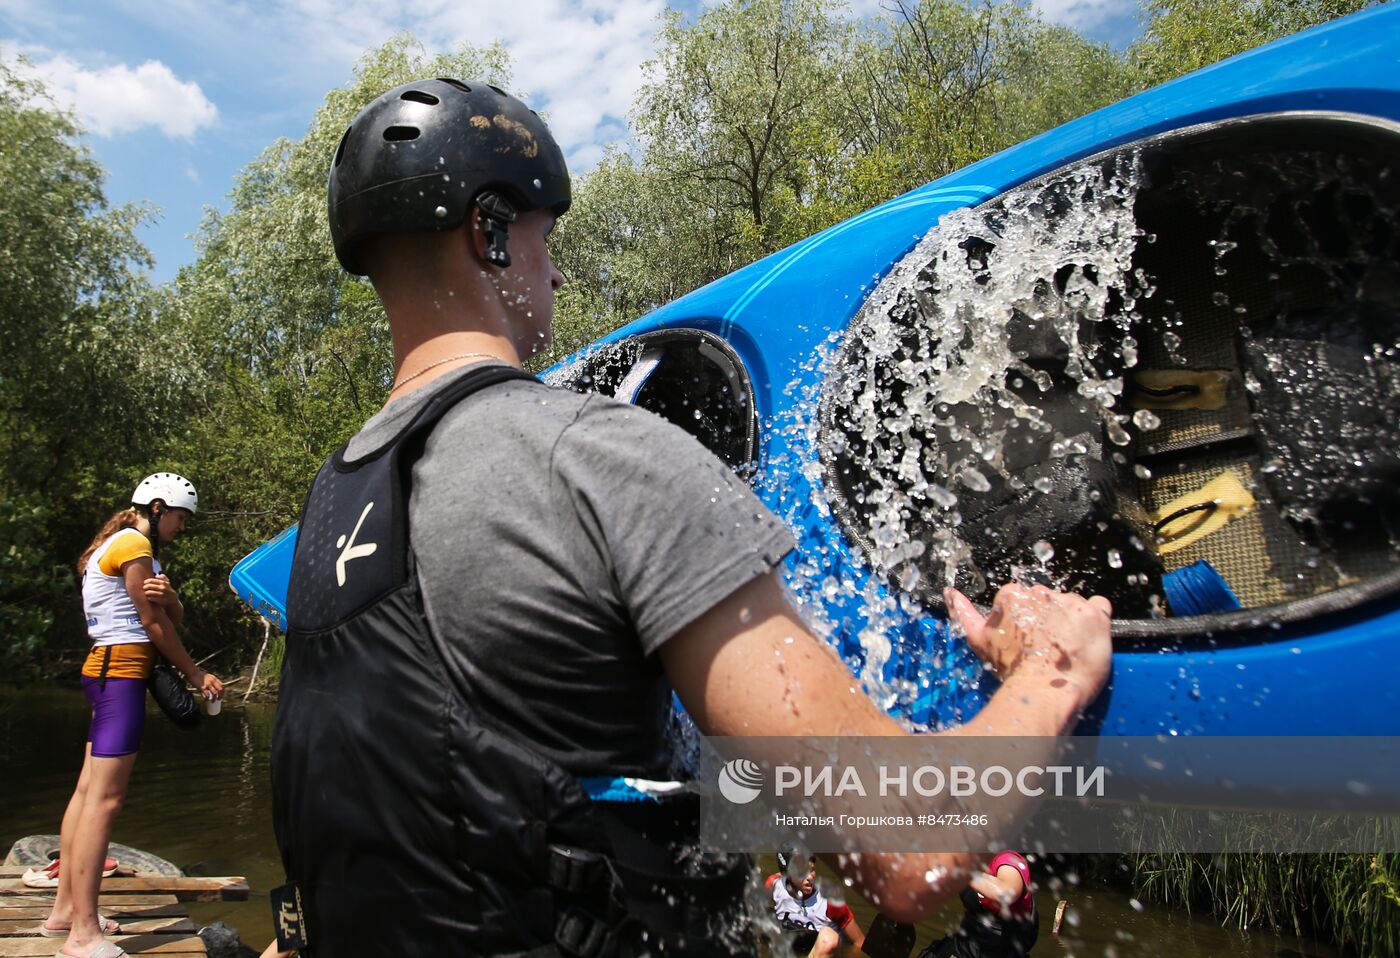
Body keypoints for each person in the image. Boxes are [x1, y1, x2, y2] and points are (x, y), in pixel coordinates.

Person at [269, 77, 1113, 956]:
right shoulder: (598, 456)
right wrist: (1050, 669)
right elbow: (905, 851)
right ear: (487, 232)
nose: (554, 270)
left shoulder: (333, 503)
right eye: (543, 237)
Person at [42, 473, 223, 958]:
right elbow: (151, 623)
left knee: (87, 794)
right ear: (160, 507)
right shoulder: (134, 547)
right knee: (105, 802)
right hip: (119, 674)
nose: (183, 526)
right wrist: (195, 673)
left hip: (108, 673)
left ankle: (64, 913)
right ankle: (82, 936)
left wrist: (173, 599)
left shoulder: (129, 546)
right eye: (182, 517)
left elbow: (167, 613)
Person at [916, 851, 1038, 958]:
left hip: (1003, 946)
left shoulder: (1008, 860)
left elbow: (1006, 893)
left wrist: (960, 870)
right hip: (969, 940)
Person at [767, 848, 866, 955]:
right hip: (794, 951)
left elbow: (860, 943)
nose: (809, 877)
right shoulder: (774, 885)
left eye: (811, 869)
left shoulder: (830, 901)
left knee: (828, 939)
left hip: (826, 952)